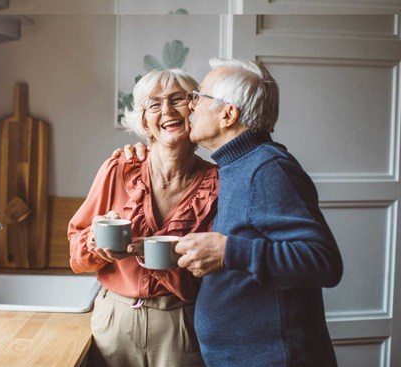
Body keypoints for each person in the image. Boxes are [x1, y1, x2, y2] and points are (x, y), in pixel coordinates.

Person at [119, 59, 344, 366]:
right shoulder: (236, 165)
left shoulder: (268, 169)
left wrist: (228, 252)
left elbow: (323, 261)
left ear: (228, 114)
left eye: (199, 97)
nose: (191, 106)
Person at [68, 68, 219, 367]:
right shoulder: (118, 168)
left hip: (181, 324)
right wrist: (94, 242)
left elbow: (215, 275)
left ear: (194, 109)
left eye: (178, 99)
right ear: (145, 122)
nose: (166, 110)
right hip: (115, 321)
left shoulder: (217, 183)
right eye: (154, 104)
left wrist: (149, 251)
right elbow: (76, 252)